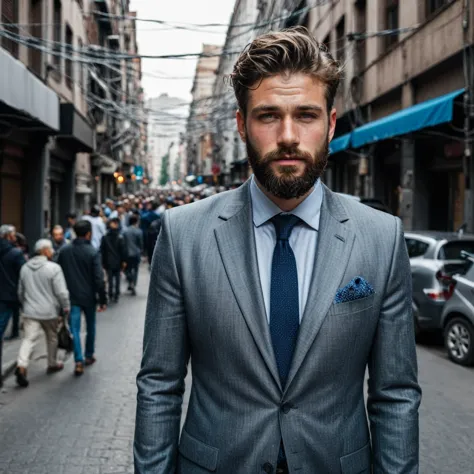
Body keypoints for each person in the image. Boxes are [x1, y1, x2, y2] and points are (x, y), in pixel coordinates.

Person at [134, 28, 421, 474]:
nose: (288, 136)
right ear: (241, 124)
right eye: (268, 116)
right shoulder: (183, 233)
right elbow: (159, 386)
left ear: (330, 123)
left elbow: (396, 394)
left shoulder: (381, 238)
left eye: (305, 115)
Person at [15, 239, 70, 387]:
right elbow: (61, 292)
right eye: (50, 249)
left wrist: (24, 304)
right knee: (52, 338)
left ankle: (21, 365)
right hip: (49, 311)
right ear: (45, 251)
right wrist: (66, 307)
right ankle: (52, 363)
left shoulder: (25, 267)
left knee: (28, 339)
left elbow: (20, 292)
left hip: (30, 311)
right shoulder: (54, 268)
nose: (52, 252)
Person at [57, 220, 107, 376]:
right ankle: (89, 355)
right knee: (90, 327)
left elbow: (58, 273)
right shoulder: (92, 252)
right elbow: (99, 278)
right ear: (88, 233)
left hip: (71, 296)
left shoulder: (64, 251)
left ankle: (78, 360)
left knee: (75, 329)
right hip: (89, 297)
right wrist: (103, 298)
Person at [0, 225, 26, 386]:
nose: (15, 237)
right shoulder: (16, 254)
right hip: (9, 296)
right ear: (8, 236)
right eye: (13, 234)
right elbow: (24, 275)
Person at [100, 217, 126, 303]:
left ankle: (111, 294)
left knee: (110, 280)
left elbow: (102, 251)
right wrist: (123, 261)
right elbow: (123, 251)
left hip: (108, 262)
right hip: (118, 261)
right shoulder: (120, 237)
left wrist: (103, 262)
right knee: (117, 279)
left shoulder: (105, 237)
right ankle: (116, 295)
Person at [123, 215, 143, 296]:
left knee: (127, 270)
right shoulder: (139, 231)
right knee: (135, 270)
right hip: (136, 253)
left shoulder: (125, 231)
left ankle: (130, 281)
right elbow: (141, 244)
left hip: (127, 253)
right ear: (136, 222)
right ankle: (133, 284)